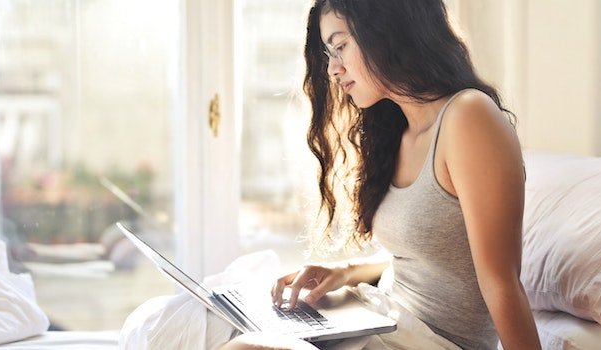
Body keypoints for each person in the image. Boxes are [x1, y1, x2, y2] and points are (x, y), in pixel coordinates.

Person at [224, 0, 541, 349]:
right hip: (384, 320)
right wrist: (345, 272)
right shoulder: (399, 133)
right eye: (329, 53)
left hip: (429, 341)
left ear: (386, 32)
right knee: (215, 315)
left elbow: (502, 283)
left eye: (340, 47)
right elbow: (423, 260)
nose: (332, 69)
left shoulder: (469, 117)